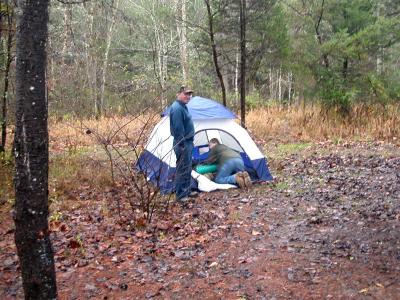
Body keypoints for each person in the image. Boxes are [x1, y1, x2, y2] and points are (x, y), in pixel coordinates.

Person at [170, 86, 198, 204]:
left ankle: (186, 191)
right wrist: (181, 146)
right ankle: (181, 195)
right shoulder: (177, 108)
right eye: (186, 94)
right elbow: (177, 129)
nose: (188, 96)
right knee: (182, 168)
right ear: (178, 94)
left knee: (187, 168)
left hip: (188, 143)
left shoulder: (183, 107)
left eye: (190, 94)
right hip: (183, 143)